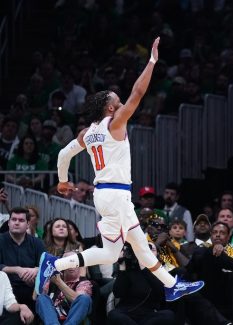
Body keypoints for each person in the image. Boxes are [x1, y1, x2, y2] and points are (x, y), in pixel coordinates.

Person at [35, 37, 203, 303]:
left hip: (104, 196)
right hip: (116, 194)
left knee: (114, 253)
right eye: (118, 100)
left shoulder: (87, 133)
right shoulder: (114, 123)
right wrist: (152, 61)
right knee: (138, 245)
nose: (123, 102)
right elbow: (138, 93)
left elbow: (63, 154)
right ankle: (172, 286)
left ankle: (53, 265)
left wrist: (63, 181)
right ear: (111, 108)